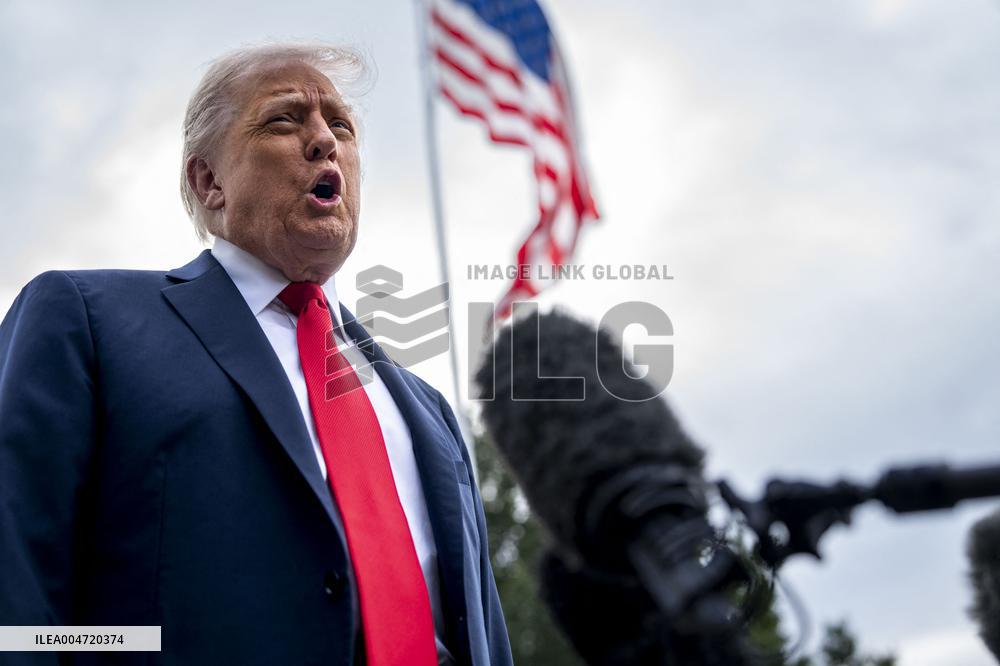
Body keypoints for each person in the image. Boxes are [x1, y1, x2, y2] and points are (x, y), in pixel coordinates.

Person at [0, 43, 512, 666]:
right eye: (284, 120)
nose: (325, 140)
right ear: (208, 181)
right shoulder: (87, 319)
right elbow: (18, 602)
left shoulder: (430, 414)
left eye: (341, 126)